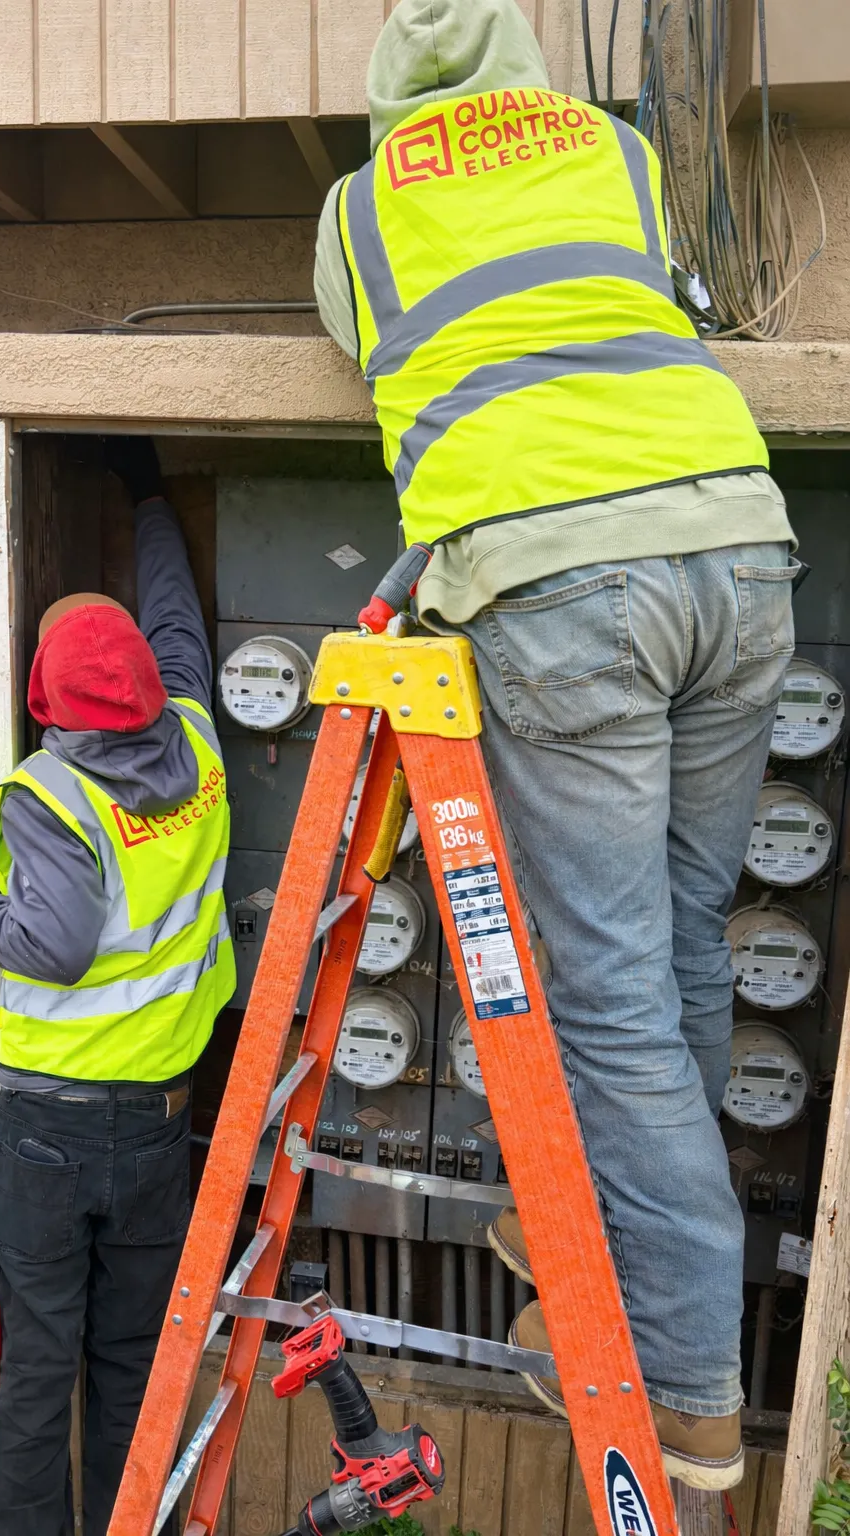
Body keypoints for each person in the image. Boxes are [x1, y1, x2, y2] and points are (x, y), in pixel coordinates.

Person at [314, 0, 799, 1491]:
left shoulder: (362, 209)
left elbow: (360, 341)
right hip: (737, 537)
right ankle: (611, 1233)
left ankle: (691, 1385)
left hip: (563, 582)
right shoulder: (619, 149)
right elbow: (641, 289)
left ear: (395, 103)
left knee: (597, 997)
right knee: (678, 949)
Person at [0, 438, 235, 1536]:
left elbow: (54, 943)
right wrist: (152, 497)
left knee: (31, 1372)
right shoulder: (202, 748)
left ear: (44, 699)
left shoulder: (50, 793)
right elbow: (175, 627)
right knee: (129, 1359)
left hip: (51, 1134)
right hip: (160, 1123)